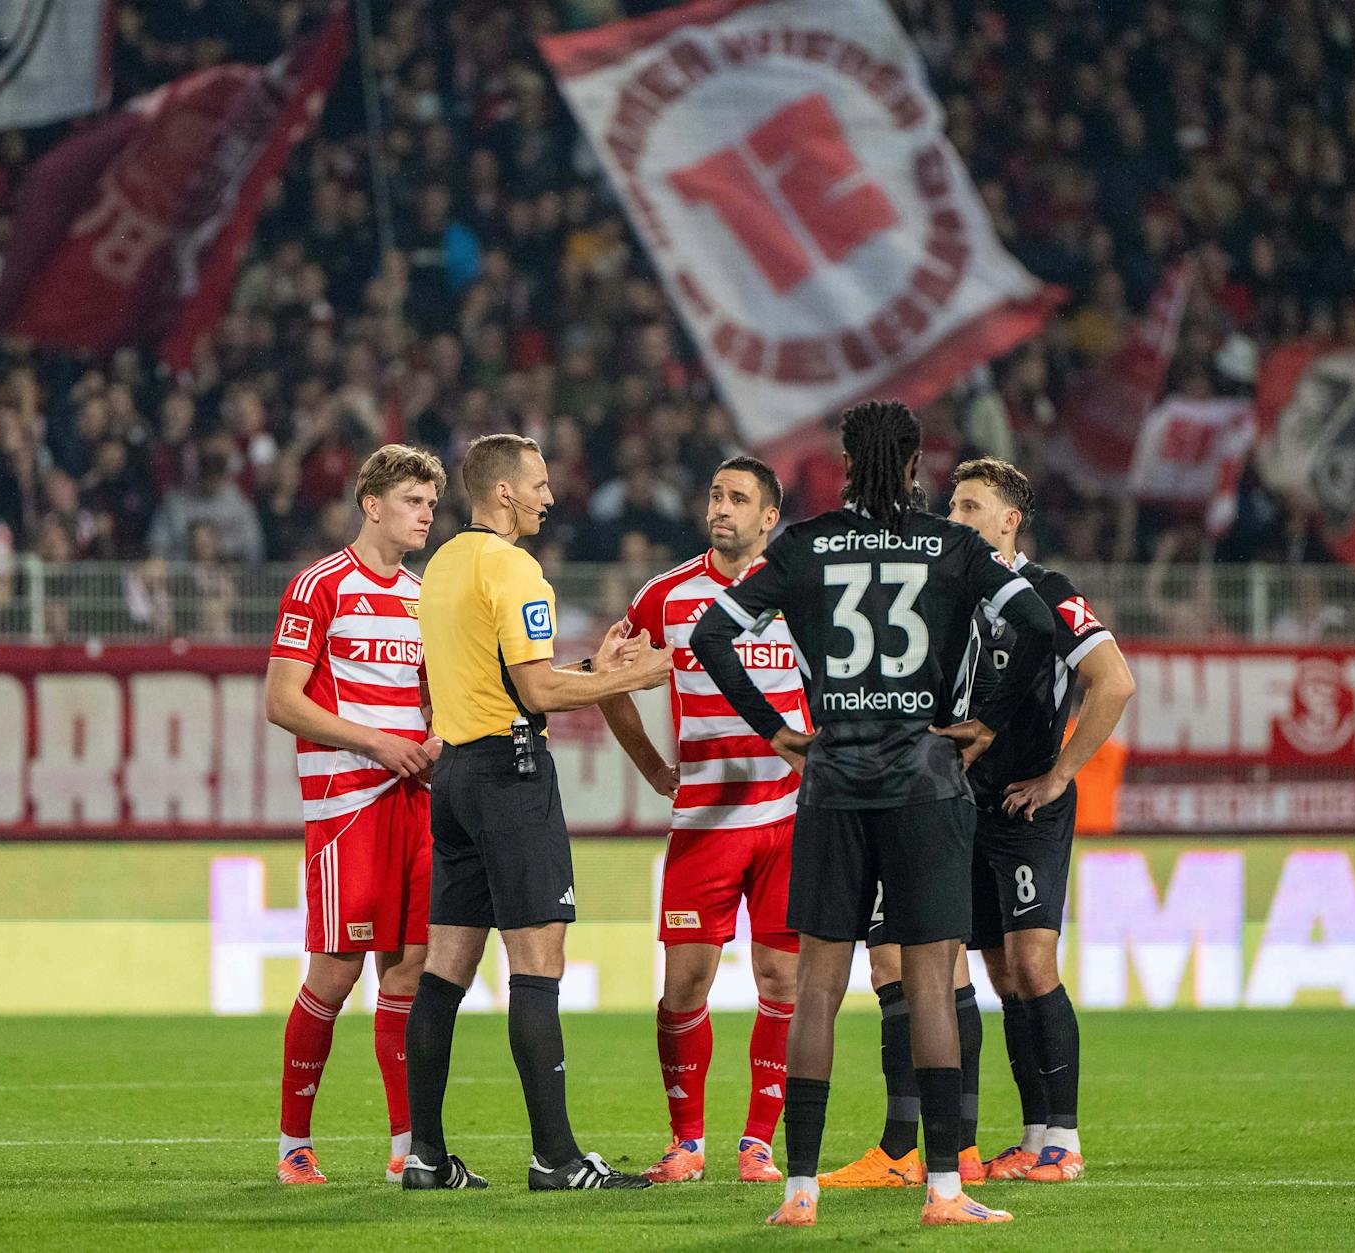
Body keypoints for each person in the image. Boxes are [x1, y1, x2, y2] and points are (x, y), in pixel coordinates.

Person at [689, 401, 1055, 1229]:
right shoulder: (953, 544)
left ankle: (800, 1192)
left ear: (846, 462)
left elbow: (713, 634)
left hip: (833, 779)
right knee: (931, 983)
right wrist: (987, 720)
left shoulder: (807, 544)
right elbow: (1037, 623)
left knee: (817, 986)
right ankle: (945, 1192)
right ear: (918, 461)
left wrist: (781, 731)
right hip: (927, 782)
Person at [828, 457, 1134, 1189]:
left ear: (1008, 521)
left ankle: (1062, 1137)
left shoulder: (1049, 593)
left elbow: (1114, 681)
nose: (954, 519)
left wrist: (1060, 774)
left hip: (1026, 808)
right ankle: (1005, 1141)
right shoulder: (944, 593)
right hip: (958, 805)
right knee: (991, 975)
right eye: (951, 507)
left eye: (970, 508)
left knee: (1032, 967)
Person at [403, 432, 672, 1191]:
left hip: (455, 773)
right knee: (538, 964)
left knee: (444, 972)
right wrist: (640, 676)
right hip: (511, 775)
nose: (550, 497)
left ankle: (425, 1155)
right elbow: (537, 694)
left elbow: (505, 673)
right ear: (502, 494)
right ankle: (555, 1156)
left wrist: (595, 668)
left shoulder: (445, 562)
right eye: (539, 484)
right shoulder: (515, 567)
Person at [598, 456, 802, 1186]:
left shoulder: (798, 586)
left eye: (738, 497)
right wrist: (655, 768)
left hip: (786, 817)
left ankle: (758, 1143)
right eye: (715, 493)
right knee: (685, 984)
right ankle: (686, 1142)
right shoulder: (667, 595)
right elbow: (605, 674)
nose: (721, 506)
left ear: (769, 516)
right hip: (704, 821)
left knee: (783, 977)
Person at [263, 444, 447, 1186]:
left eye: (432, 504)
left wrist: (435, 737)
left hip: (414, 803)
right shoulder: (320, 585)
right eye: (413, 502)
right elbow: (282, 700)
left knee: (407, 977)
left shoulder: (421, 595)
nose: (427, 515)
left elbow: (436, 696)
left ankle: (407, 1145)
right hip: (347, 807)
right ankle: (293, 1144)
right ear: (373, 505)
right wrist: (376, 741)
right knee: (335, 975)